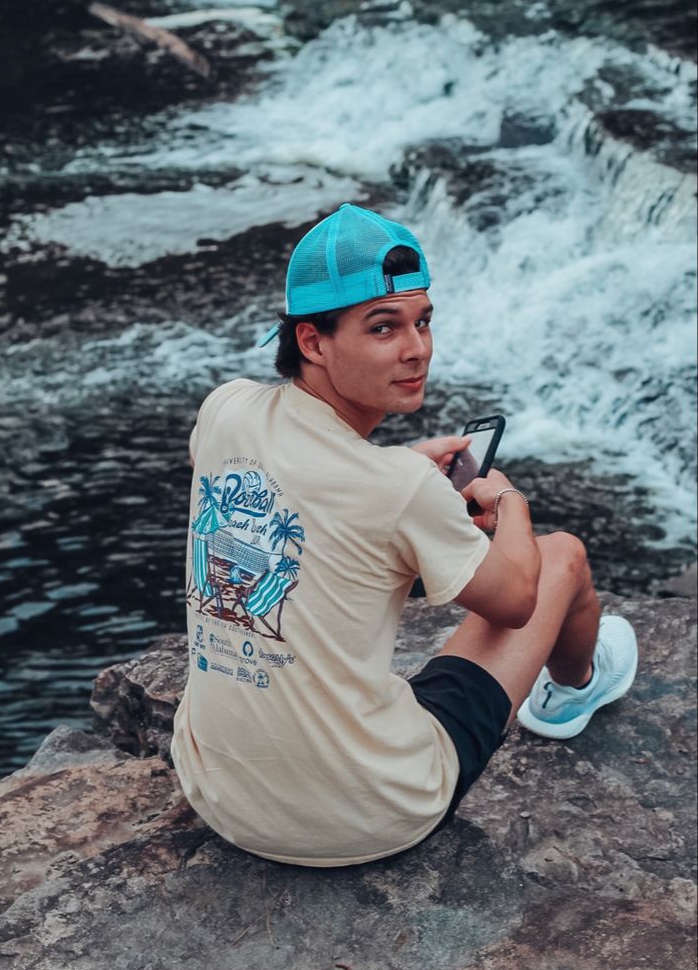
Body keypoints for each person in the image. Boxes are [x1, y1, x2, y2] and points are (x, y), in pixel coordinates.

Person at [171, 203, 638, 867]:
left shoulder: (225, 408)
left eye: (422, 322)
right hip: (364, 814)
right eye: (383, 327)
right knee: (559, 556)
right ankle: (570, 693)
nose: (415, 348)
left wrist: (398, 472)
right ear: (312, 340)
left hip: (219, 795)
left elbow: (269, 475)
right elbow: (514, 602)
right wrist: (508, 501)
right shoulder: (397, 488)